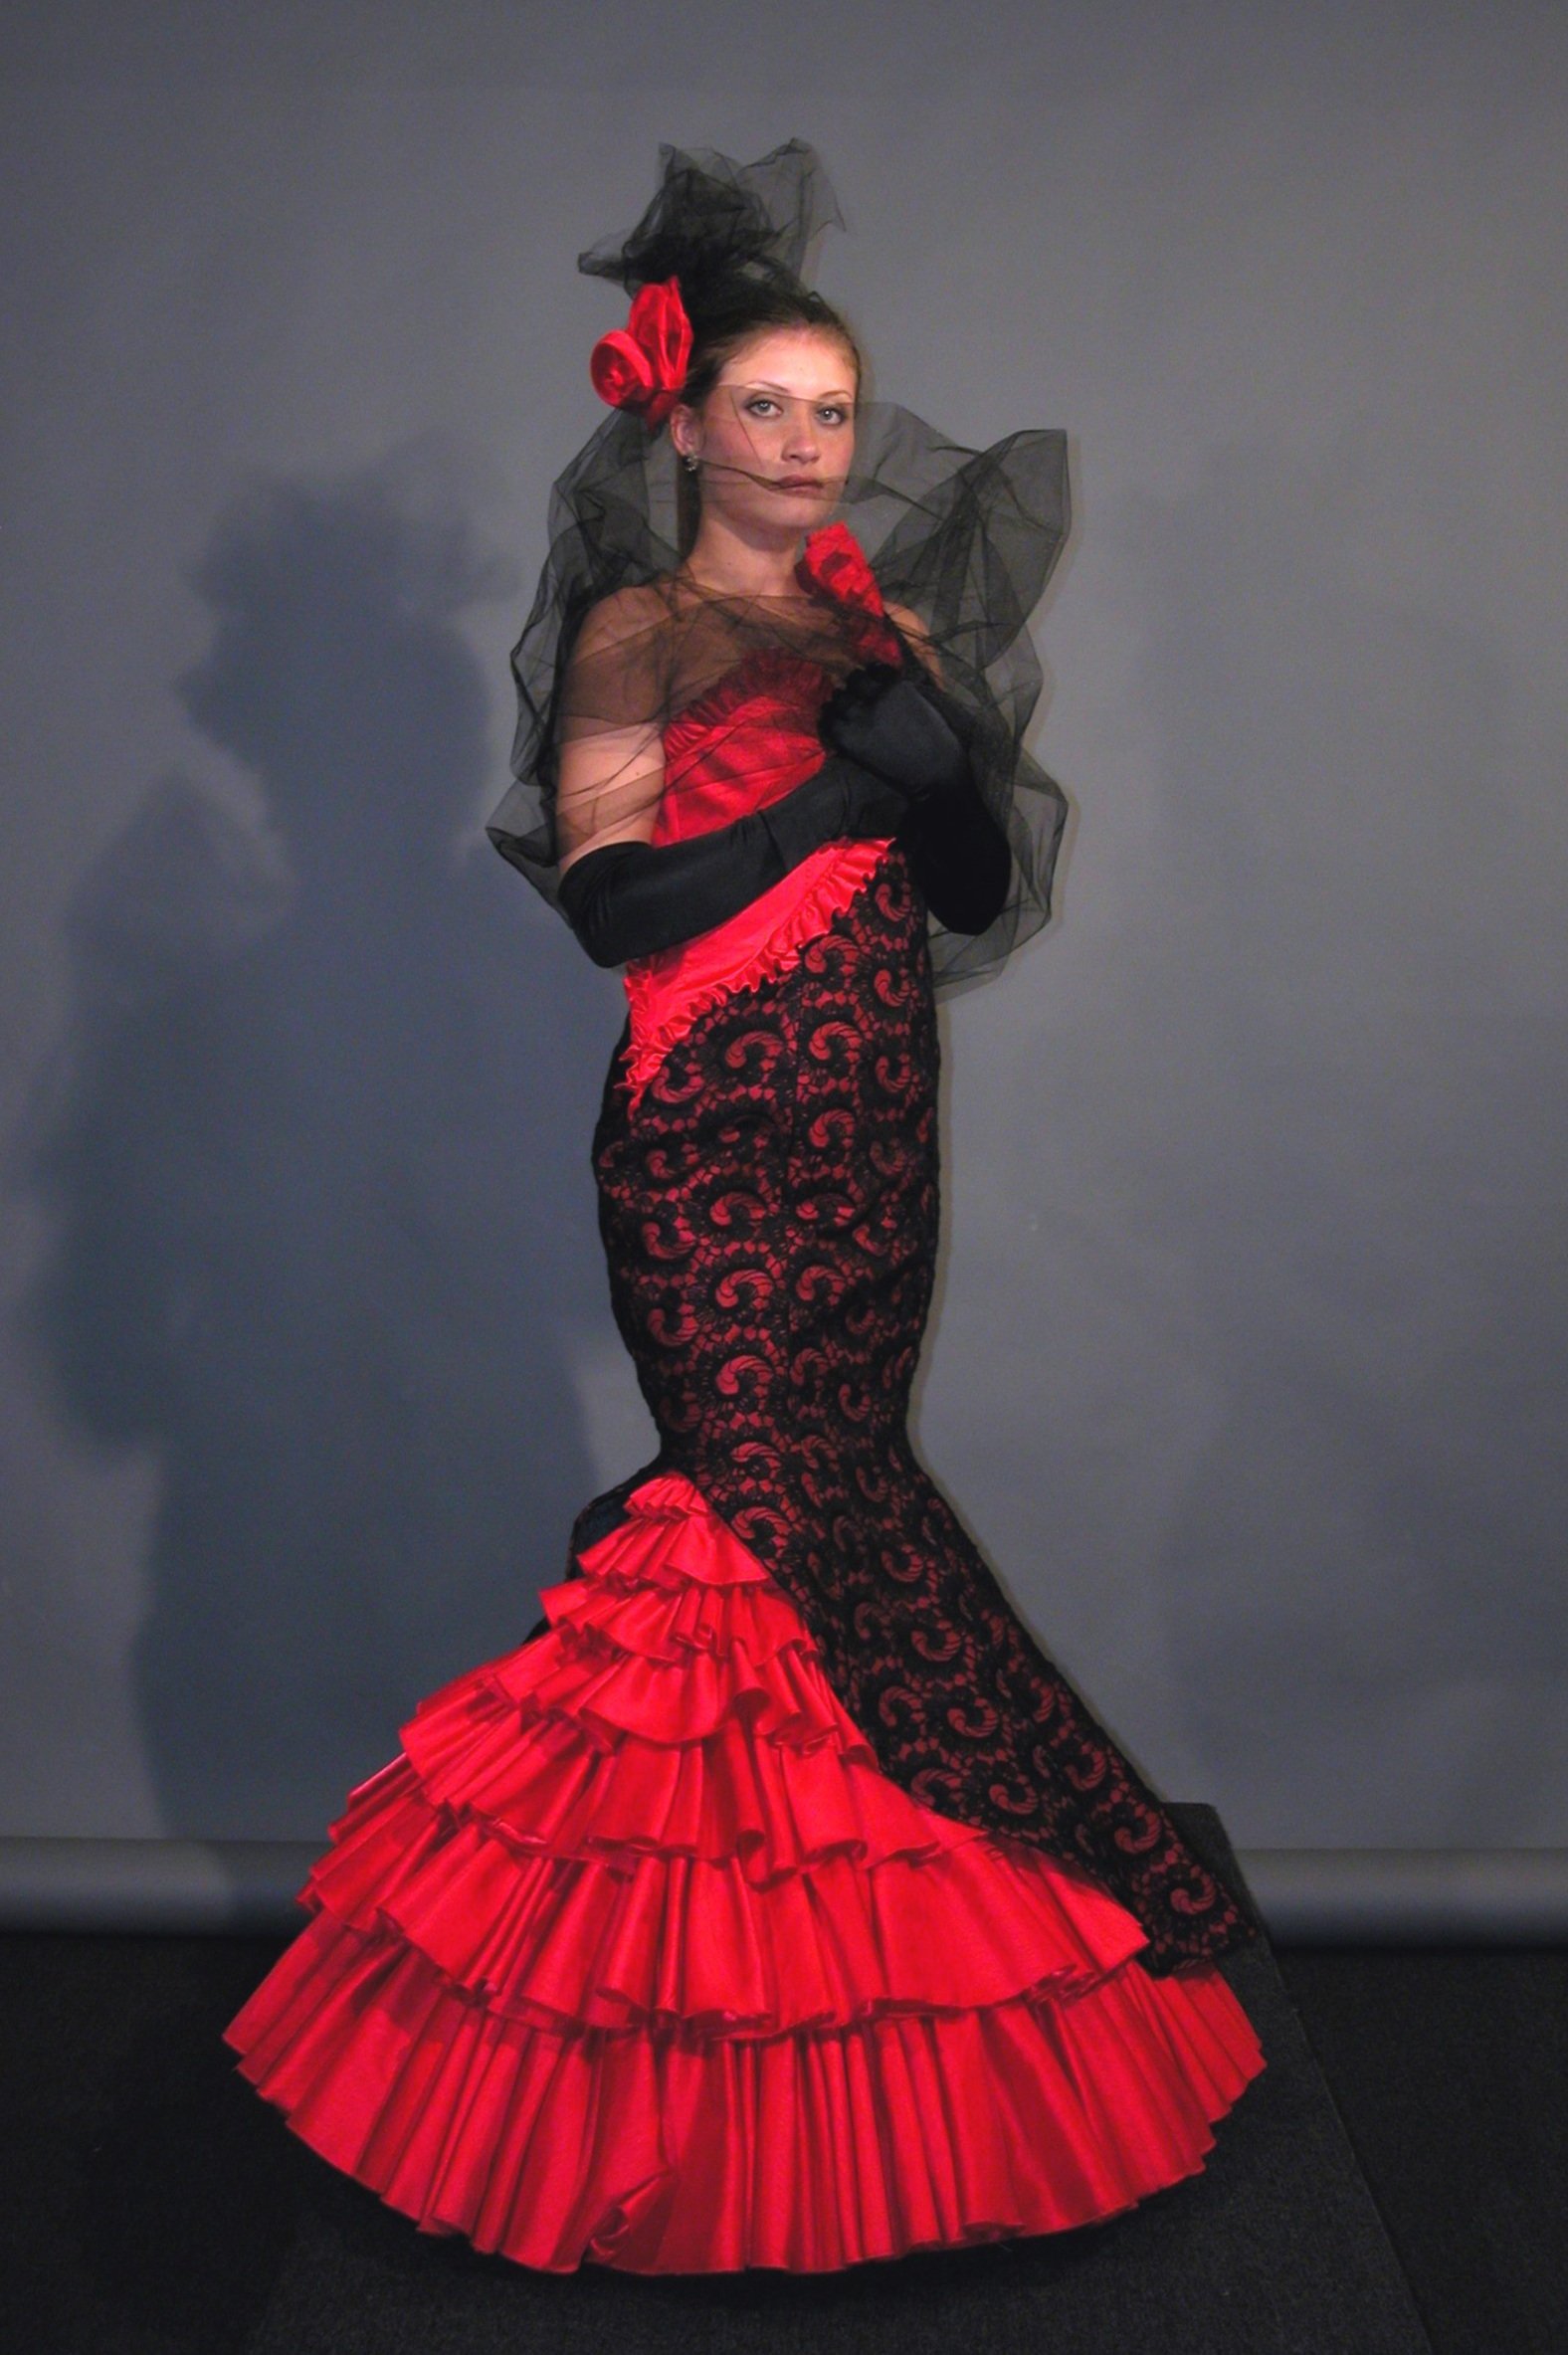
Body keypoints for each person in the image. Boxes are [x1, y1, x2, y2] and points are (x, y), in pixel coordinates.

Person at [225, 139, 1266, 2275]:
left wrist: (940, 777)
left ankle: (840, 2044)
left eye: (828, 406)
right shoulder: (635, 626)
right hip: (710, 1135)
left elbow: (966, 895)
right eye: (762, 407)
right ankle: (648, 2075)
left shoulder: (874, 619)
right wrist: (824, 784)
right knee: (744, 1524)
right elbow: (615, 905)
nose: (801, 440)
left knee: (832, 1508)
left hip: (874, 1129)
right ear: (680, 420)